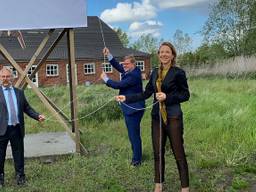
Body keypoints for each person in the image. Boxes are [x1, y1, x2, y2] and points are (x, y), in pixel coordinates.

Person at [115, 42, 190, 192]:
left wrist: (167, 96)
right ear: (158, 55)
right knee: (158, 152)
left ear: (173, 55)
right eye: (161, 52)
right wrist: (127, 98)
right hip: (157, 117)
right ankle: (158, 184)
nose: (164, 54)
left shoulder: (178, 72)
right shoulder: (155, 72)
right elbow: (146, 93)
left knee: (178, 153)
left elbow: (185, 95)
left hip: (173, 117)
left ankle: (185, 187)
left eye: (167, 52)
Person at [0, 67, 45, 187]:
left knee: (18, 154)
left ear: (12, 78)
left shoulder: (19, 92)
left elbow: (27, 108)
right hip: (1, 130)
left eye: (8, 76)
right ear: (0, 78)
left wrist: (37, 116)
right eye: (3, 76)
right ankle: (0, 179)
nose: (5, 79)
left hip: (16, 128)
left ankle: (20, 177)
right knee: (0, 155)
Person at [100, 47, 145, 166]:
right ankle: (137, 155)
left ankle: (137, 160)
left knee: (133, 135)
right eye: (124, 63)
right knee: (133, 134)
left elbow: (119, 85)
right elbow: (118, 67)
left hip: (134, 109)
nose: (124, 66)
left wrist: (106, 79)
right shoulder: (131, 70)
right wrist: (109, 55)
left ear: (133, 64)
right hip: (130, 108)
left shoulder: (133, 76)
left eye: (127, 64)